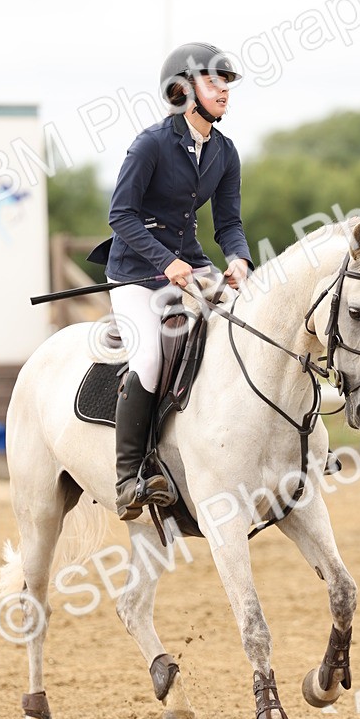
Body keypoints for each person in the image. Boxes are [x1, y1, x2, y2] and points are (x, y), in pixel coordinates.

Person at [88, 42, 253, 519]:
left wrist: (239, 258)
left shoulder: (224, 151)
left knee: (241, 329)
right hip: (136, 272)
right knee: (150, 357)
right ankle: (128, 477)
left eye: (226, 82)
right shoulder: (151, 145)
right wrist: (167, 262)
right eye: (212, 81)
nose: (223, 90)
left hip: (190, 267)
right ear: (182, 90)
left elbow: (229, 225)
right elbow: (121, 215)